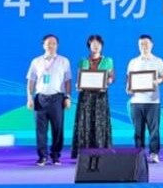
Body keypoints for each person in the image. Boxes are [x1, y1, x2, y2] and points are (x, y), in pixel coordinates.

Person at [26, 34, 72, 166]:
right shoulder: (36, 61)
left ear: (57, 45)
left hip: (57, 98)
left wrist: (68, 97)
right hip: (40, 98)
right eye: (48, 43)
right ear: (43, 45)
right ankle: (42, 157)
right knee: (40, 130)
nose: (51, 46)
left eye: (53, 43)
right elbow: (31, 81)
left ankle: (56, 156)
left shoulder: (64, 61)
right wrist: (29, 97)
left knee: (58, 129)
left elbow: (68, 81)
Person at [126, 34, 163, 163]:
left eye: (146, 44)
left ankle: (154, 153)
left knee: (154, 130)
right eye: (141, 44)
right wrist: (128, 88)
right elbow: (129, 79)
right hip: (136, 101)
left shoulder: (158, 61)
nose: (144, 46)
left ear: (152, 45)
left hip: (153, 101)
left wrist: (158, 81)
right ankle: (139, 153)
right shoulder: (133, 62)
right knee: (138, 130)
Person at [71, 34, 114, 159]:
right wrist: (78, 85)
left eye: (98, 44)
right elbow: (79, 77)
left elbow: (111, 77)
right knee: (84, 122)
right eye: (93, 44)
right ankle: (83, 151)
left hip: (101, 95)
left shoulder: (108, 61)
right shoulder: (83, 61)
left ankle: (101, 150)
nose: (96, 46)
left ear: (102, 46)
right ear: (89, 46)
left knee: (100, 122)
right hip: (85, 96)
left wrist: (108, 81)